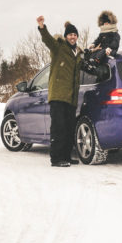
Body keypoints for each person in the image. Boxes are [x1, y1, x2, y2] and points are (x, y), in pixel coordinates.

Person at [37, 15, 84, 167]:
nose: (73, 37)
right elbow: (48, 40)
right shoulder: (59, 48)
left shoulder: (77, 53)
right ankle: (56, 159)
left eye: (75, 35)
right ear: (66, 36)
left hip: (71, 97)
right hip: (58, 96)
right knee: (58, 128)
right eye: (70, 34)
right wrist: (42, 27)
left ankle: (66, 156)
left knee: (69, 128)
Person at [82, 10, 120, 75]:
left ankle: (95, 62)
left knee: (102, 52)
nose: (105, 24)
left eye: (107, 22)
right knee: (94, 52)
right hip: (101, 51)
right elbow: (98, 40)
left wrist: (109, 48)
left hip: (109, 51)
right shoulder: (102, 34)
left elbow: (115, 43)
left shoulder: (115, 34)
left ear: (111, 23)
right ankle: (90, 62)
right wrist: (93, 44)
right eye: (104, 22)